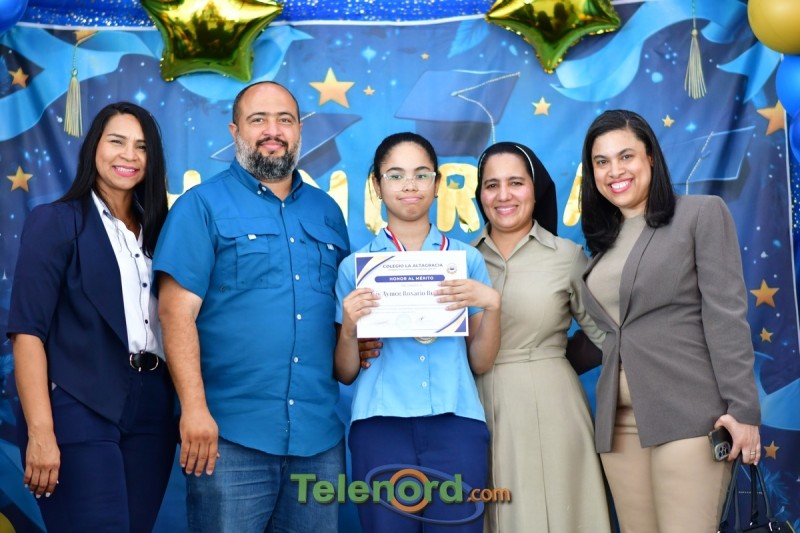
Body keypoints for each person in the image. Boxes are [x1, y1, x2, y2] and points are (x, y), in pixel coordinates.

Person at [154, 81, 350, 532]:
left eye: (284, 120)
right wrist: (194, 409)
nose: (272, 131)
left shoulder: (327, 212)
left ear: (299, 130)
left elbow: (342, 314)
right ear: (235, 131)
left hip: (318, 440)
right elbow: (175, 314)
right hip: (229, 438)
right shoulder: (201, 206)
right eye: (258, 119)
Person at [579, 109, 761, 532]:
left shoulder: (700, 213)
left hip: (688, 416)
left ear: (651, 158)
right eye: (601, 162)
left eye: (626, 156)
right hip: (619, 428)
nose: (614, 171)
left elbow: (726, 315)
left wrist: (743, 411)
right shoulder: (602, 244)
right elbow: (613, 333)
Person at [7, 102, 175, 532]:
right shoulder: (56, 221)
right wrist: (41, 431)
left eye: (141, 146)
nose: (129, 155)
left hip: (152, 408)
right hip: (79, 401)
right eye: (117, 141)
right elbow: (27, 333)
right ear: (93, 147)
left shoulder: (162, 232)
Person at [335, 132, 501, 532]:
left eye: (421, 174)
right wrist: (350, 329)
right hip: (380, 427)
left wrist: (493, 305)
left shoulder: (465, 260)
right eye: (395, 175)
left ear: (437, 184)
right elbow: (345, 372)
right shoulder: (355, 268)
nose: (409, 185)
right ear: (376, 185)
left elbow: (480, 362)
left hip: (456, 423)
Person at [470, 141, 611, 532]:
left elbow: (606, 336)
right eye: (492, 185)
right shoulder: (460, 260)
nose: (503, 195)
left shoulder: (567, 256)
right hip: (475, 410)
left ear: (536, 190)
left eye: (516, 182)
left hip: (552, 409)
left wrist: (554, 360)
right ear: (480, 194)